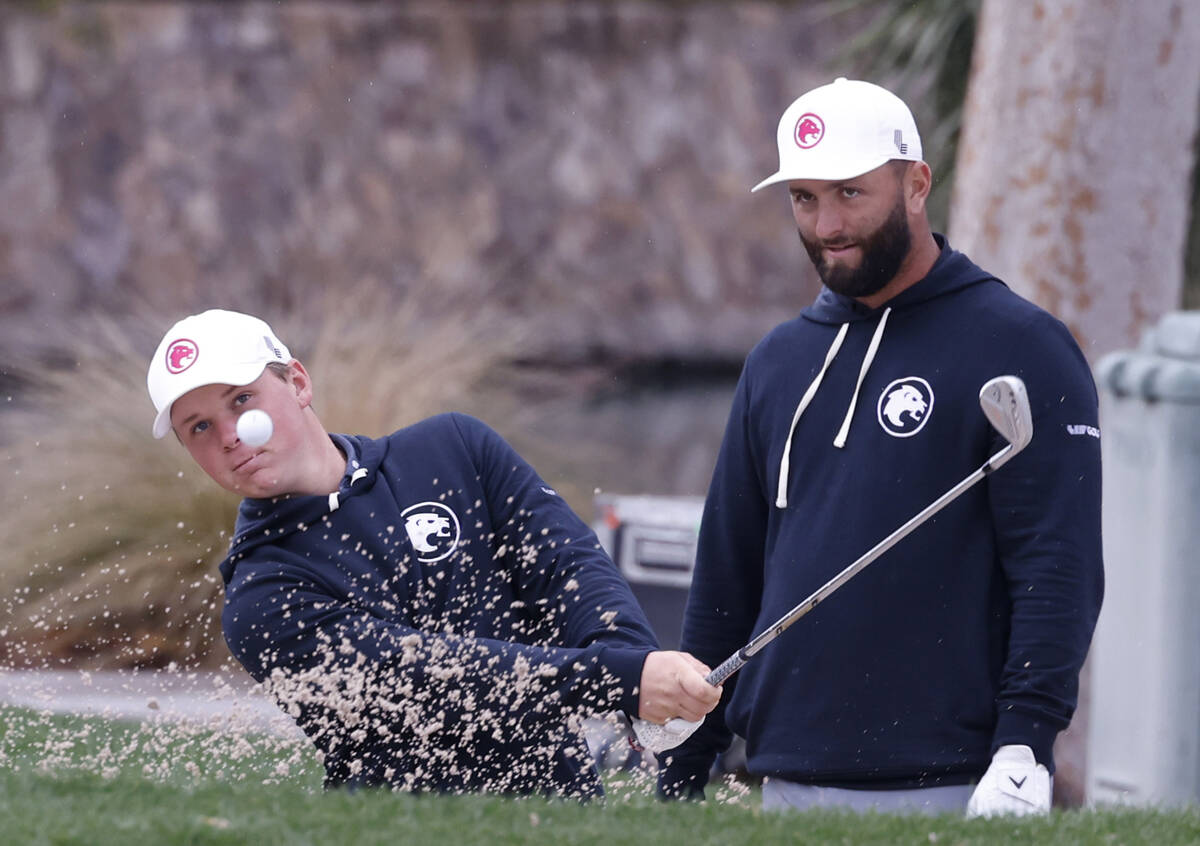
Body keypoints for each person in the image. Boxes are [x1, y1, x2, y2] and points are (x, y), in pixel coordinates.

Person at [656, 78, 1104, 816]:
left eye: (850, 193)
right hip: (782, 779)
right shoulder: (777, 361)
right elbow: (726, 578)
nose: (827, 224)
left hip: (956, 783)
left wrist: (1025, 745)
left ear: (917, 185)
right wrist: (681, 767)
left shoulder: (1022, 345)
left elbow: (1058, 567)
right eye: (804, 198)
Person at [146, 308, 719, 798]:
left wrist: (638, 664)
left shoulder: (454, 449)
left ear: (297, 383)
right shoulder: (261, 598)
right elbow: (433, 676)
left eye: (242, 400)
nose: (230, 435)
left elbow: (567, 567)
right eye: (199, 427)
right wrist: (620, 677)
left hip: (565, 813)